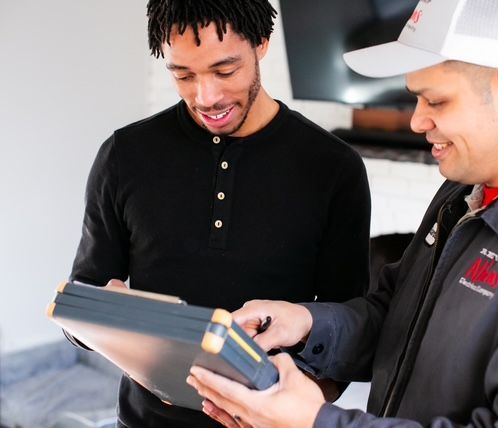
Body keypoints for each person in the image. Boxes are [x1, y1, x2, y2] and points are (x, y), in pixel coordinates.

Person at [185, 0, 498, 426]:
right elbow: (396, 316)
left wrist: (316, 422)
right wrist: (306, 324)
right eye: (416, 99)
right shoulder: (461, 196)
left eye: (436, 101)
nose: (417, 121)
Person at [66, 0, 371, 426]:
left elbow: (348, 336)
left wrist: (295, 410)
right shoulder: (124, 155)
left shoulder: (333, 168)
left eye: (225, 71)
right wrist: (110, 320)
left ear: (261, 44)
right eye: (183, 75)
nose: (206, 97)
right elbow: (79, 306)